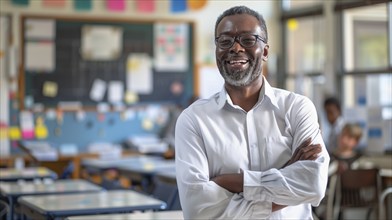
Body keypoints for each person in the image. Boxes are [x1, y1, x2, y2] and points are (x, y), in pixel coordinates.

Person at [175, 6, 330, 219]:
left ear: (265, 51)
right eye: (225, 40)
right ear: (216, 50)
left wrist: (225, 182)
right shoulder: (193, 120)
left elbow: (312, 185)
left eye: (248, 40)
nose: (236, 48)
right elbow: (198, 210)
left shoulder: (297, 108)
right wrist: (286, 173)